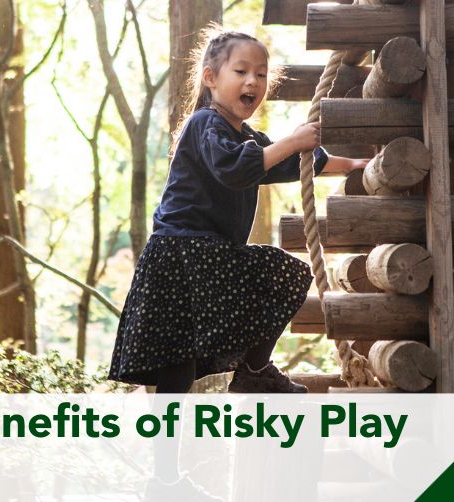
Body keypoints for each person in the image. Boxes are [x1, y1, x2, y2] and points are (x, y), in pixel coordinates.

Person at [108, 27, 367, 500]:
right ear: (211, 78)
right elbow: (240, 169)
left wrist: (351, 166)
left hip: (205, 256)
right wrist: (291, 141)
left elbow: (293, 164)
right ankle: (164, 477)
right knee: (175, 371)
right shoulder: (206, 125)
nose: (254, 80)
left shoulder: (245, 136)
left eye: (262, 74)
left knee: (281, 275)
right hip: (180, 254)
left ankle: (251, 369)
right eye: (242, 71)